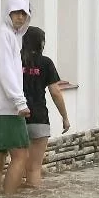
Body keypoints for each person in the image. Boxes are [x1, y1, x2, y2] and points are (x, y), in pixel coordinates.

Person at [0, 0, 32, 195]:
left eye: (24, 14)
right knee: (20, 155)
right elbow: (4, 70)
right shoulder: (4, 35)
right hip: (7, 108)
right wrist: (19, 101)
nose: (21, 17)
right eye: (16, 13)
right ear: (7, 13)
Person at [21, 26, 70, 188]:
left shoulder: (15, 59)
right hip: (39, 118)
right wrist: (65, 117)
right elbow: (55, 92)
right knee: (34, 168)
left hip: (16, 118)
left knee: (17, 165)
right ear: (41, 43)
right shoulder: (45, 62)